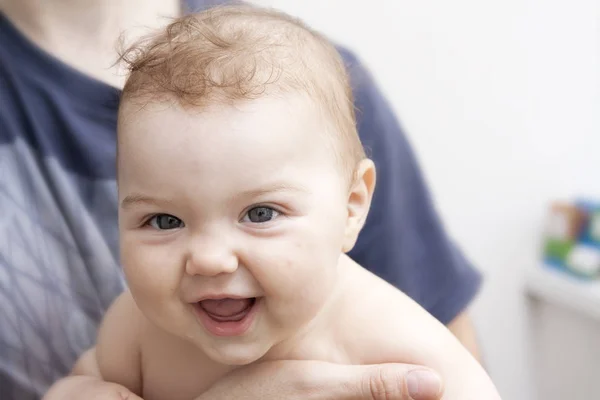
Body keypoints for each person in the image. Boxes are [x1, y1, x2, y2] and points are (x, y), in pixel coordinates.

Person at [0, 0, 482, 399]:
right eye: (165, 221)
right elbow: (83, 381)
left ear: (352, 205)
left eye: (260, 213)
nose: (208, 259)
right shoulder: (137, 331)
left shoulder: (394, 343)